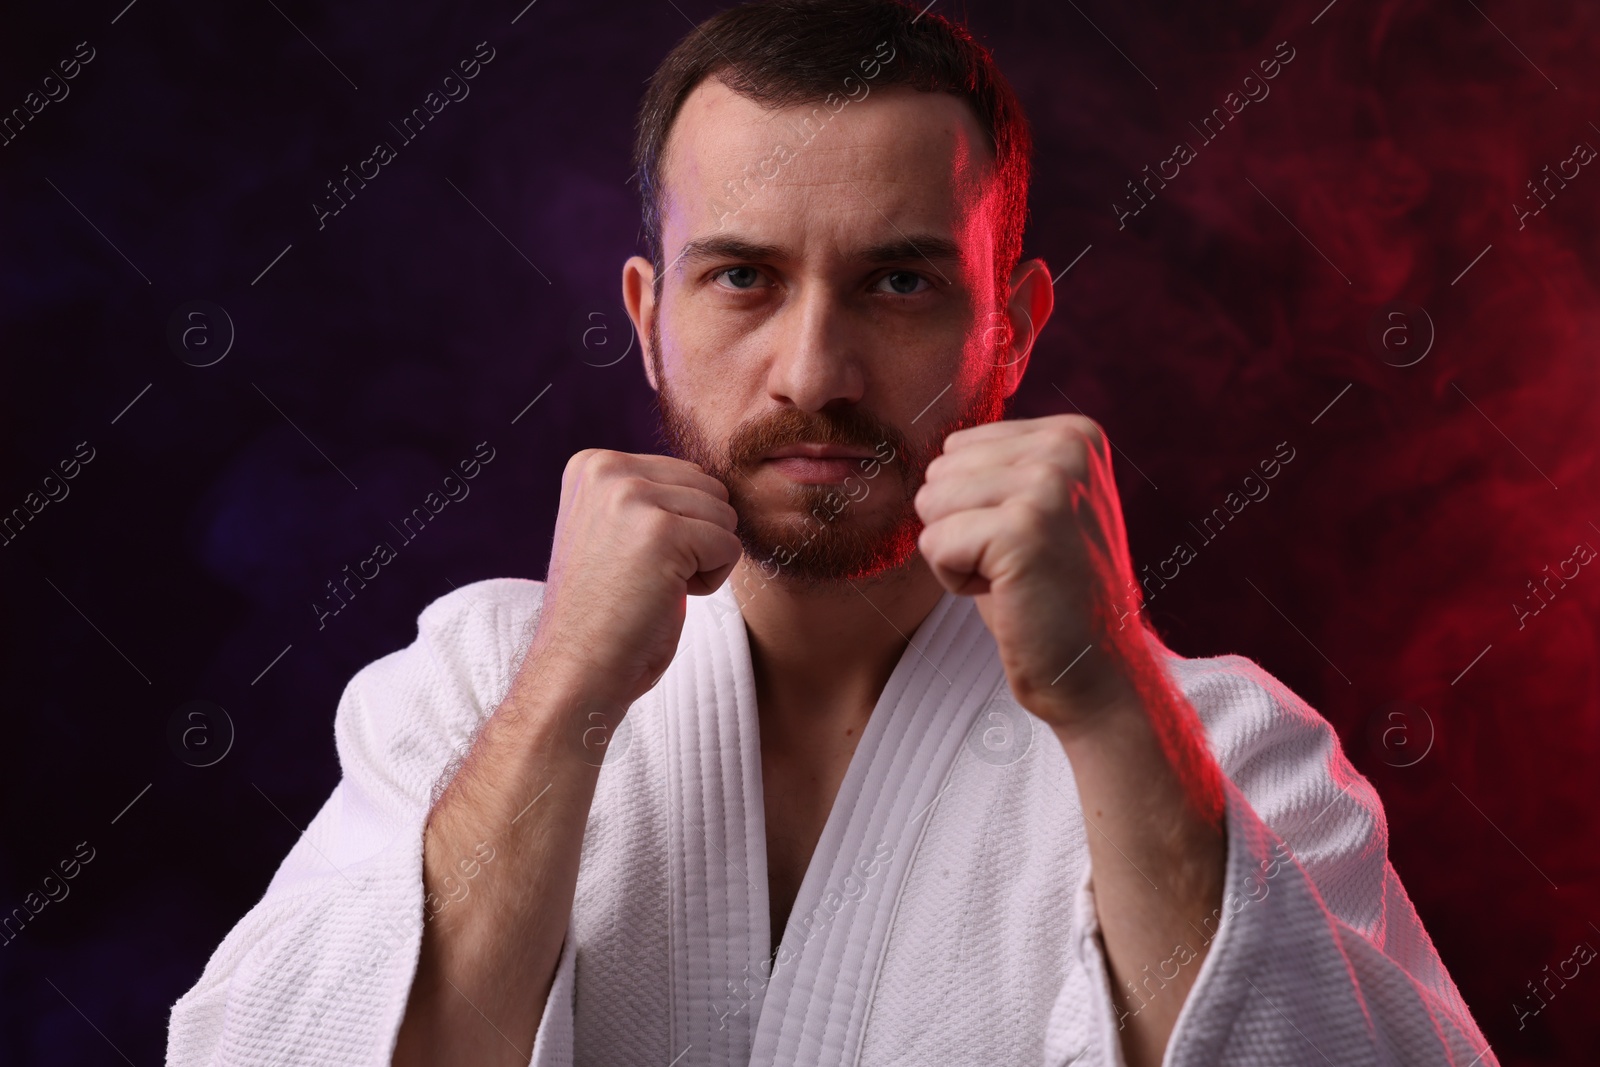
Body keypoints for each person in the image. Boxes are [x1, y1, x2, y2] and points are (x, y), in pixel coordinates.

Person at [166, 2, 1496, 1065]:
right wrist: (568, 690)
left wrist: (1108, 705)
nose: (813, 370)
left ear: (1014, 328)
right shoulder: (474, 684)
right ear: (648, 318)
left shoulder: (1221, 747)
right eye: (744, 276)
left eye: (900, 282)